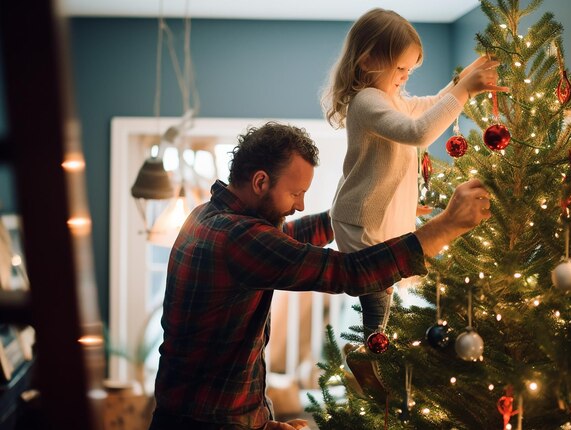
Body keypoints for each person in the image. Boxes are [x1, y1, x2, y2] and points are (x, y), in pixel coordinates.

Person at [149, 121, 492, 430]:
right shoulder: (236, 237)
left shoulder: (206, 216)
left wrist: (367, 212)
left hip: (198, 417)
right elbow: (350, 272)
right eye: (295, 193)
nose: (299, 204)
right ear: (260, 181)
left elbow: (287, 239)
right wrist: (445, 226)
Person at [322, 8, 508, 342]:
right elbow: (418, 132)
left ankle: (373, 350)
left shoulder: (390, 98)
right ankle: (371, 351)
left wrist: (461, 80)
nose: (406, 76)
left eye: (409, 69)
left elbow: (431, 106)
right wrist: (463, 90)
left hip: (379, 214)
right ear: (367, 61)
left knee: (385, 289)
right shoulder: (367, 101)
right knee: (379, 291)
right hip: (360, 220)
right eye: (400, 68)